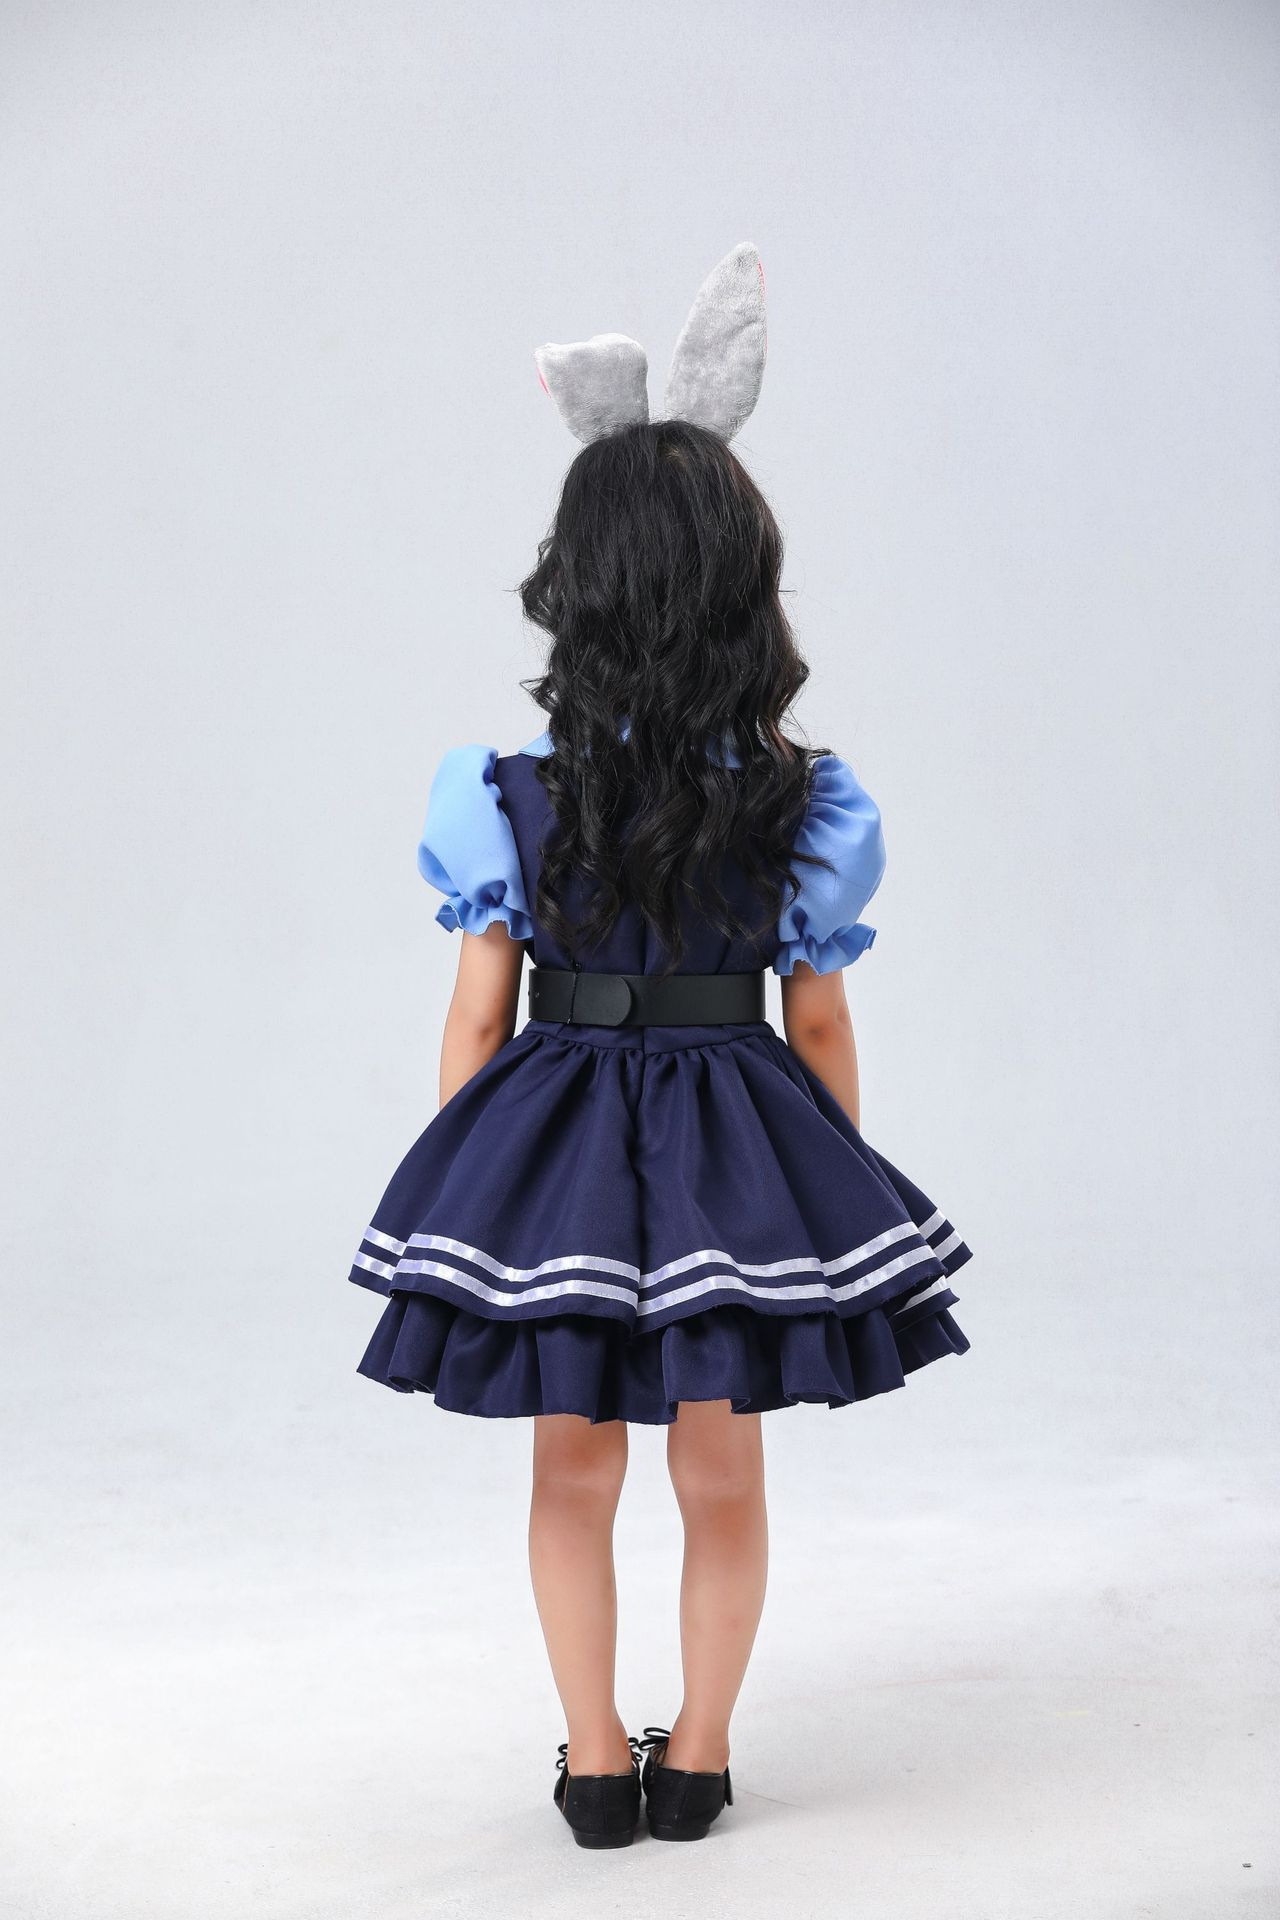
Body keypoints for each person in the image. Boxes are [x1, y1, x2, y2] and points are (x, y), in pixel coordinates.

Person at [347, 245, 971, 1849]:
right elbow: (816, 1016)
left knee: (570, 1468)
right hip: (734, 1147)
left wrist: (476, 1186)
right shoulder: (807, 801)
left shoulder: (505, 794)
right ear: (744, 589)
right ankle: (695, 1759)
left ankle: (593, 1764)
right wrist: (821, 1188)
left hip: (556, 1143)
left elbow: (478, 1014)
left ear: (579, 587)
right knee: (723, 1469)